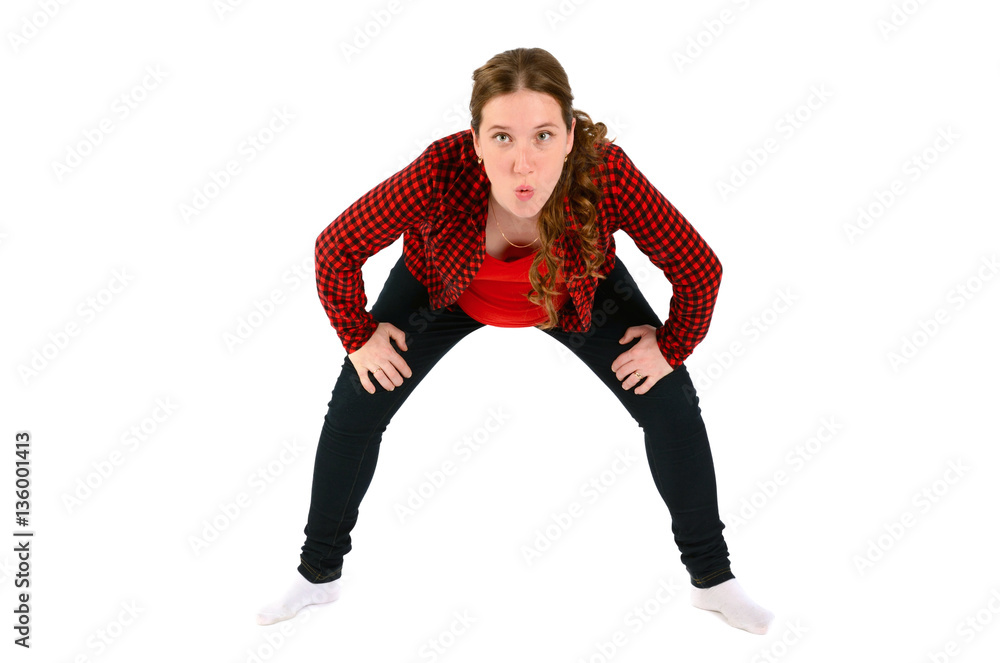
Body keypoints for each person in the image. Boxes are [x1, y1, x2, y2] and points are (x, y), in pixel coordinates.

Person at [257, 47, 774, 635]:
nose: (523, 164)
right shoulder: (438, 170)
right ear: (474, 140)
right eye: (502, 137)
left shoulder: (606, 173)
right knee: (355, 403)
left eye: (543, 136)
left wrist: (671, 345)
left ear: (571, 136)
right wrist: (358, 336)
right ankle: (317, 575)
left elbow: (699, 266)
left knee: (673, 407)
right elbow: (336, 248)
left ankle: (713, 579)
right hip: (442, 290)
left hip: (577, 293)